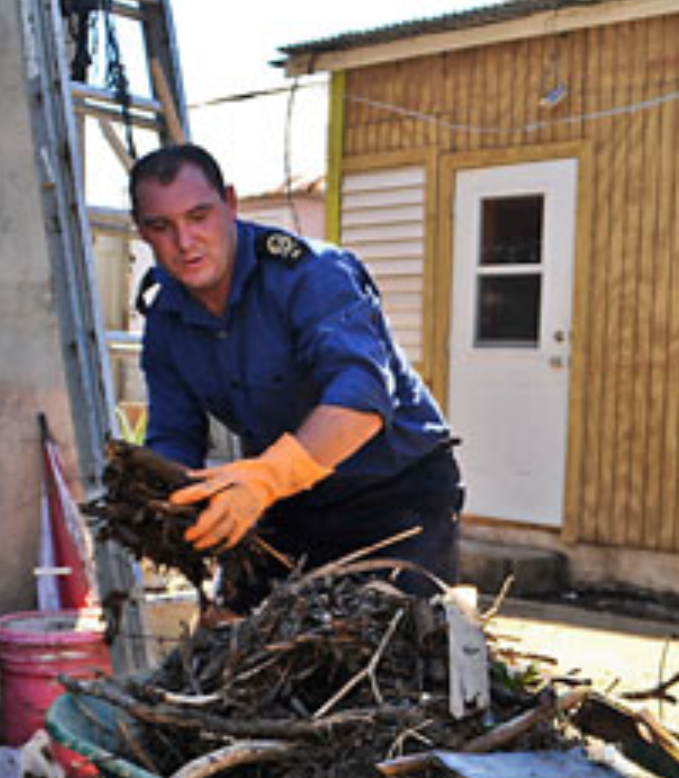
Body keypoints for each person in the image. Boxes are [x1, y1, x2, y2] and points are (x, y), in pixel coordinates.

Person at [129, 143, 464, 609]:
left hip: (394, 494)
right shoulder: (166, 318)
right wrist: (168, 507)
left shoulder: (310, 274)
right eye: (162, 226)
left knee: (392, 660)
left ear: (230, 202)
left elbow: (363, 399)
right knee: (236, 654)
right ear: (141, 230)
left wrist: (266, 479)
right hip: (286, 501)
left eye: (199, 216)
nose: (185, 243)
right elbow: (173, 435)